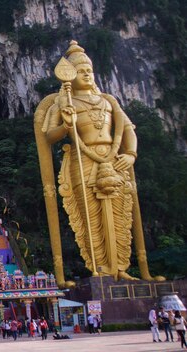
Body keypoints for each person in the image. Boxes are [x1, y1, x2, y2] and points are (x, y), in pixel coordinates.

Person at [36, 40, 161, 283]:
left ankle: (122, 268)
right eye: (80, 71)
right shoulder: (63, 103)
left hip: (114, 161)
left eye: (89, 71)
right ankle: (100, 267)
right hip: (83, 162)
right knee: (90, 218)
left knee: (120, 216)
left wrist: (130, 154)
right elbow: (48, 136)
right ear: (69, 76)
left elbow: (128, 130)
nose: (86, 74)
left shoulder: (108, 101)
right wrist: (65, 125)